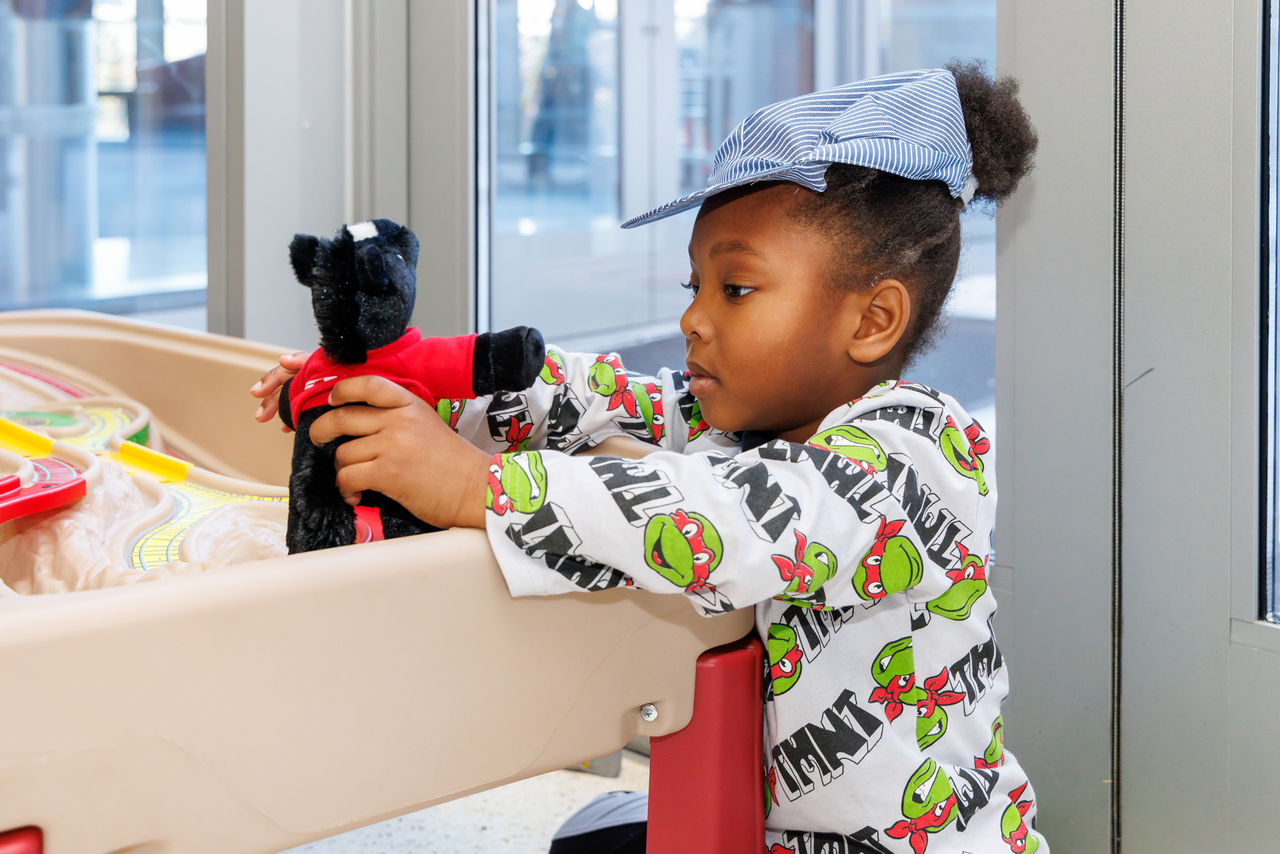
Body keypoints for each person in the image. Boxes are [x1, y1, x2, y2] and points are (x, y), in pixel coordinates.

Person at [253, 61, 1043, 854]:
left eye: (735, 289)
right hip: (760, 826)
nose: (692, 316)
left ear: (872, 320)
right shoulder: (740, 418)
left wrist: (475, 487)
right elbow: (584, 396)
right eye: (693, 281)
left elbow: (727, 520)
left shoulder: (916, 457)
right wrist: (400, 381)